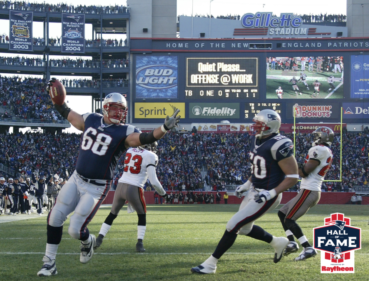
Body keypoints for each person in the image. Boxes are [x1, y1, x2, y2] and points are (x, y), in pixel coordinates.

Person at [37, 80, 180, 277]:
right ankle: (49, 263)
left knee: (75, 230)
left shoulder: (126, 131)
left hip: (96, 187)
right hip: (76, 179)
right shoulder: (91, 119)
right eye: (114, 109)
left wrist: (164, 128)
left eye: (122, 110)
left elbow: (146, 138)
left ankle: (88, 242)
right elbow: (70, 115)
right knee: (54, 217)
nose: (119, 113)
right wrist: (58, 103)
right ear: (105, 108)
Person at [191, 109, 298, 274]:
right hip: (255, 190)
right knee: (245, 228)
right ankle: (278, 242)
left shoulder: (279, 144)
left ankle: (211, 264)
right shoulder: (258, 139)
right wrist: (247, 183)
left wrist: (271, 193)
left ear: (269, 126)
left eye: (259, 123)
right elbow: (259, 167)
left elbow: (292, 176)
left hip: (267, 195)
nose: (254, 125)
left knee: (233, 225)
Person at [95, 142, 165, 252]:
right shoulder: (151, 156)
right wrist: (163, 193)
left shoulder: (130, 150)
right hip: (134, 187)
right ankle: (139, 243)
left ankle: (99, 238)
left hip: (120, 185)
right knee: (142, 215)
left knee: (112, 214)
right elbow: (154, 181)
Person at [278, 127, 334, 261]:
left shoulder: (319, 149)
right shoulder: (323, 150)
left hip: (310, 190)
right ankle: (291, 242)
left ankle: (308, 247)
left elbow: (303, 172)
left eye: (316, 136)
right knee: (282, 213)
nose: (314, 138)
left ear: (321, 137)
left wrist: (289, 160)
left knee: (289, 220)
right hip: (309, 190)